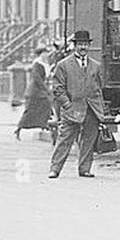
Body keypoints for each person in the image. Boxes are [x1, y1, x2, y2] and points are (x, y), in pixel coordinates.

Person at [49, 29, 108, 179]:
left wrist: (99, 108)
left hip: (92, 109)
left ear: (89, 46)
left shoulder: (95, 66)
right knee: (65, 140)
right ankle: (55, 169)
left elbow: (99, 87)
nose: (83, 47)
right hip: (72, 109)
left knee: (89, 140)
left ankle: (85, 169)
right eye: (80, 44)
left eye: (85, 44)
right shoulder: (63, 65)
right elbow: (57, 88)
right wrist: (67, 104)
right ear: (75, 46)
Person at [16, 43, 56, 140]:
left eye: (46, 53)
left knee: (46, 106)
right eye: (44, 53)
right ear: (40, 54)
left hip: (39, 91)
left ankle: (44, 124)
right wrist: (46, 89)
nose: (46, 55)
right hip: (35, 91)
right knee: (31, 111)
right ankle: (19, 128)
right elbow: (37, 78)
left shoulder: (44, 63)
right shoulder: (37, 64)